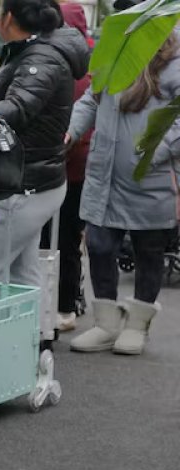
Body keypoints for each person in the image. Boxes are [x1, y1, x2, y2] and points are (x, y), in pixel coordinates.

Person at [0, 0, 89, 347]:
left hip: (23, 183)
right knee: (24, 272)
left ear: (7, 18)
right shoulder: (37, 50)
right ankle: (33, 349)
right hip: (38, 179)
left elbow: (18, 107)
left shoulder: (40, 58)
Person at [66, 31, 180, 355]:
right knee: (100, 245)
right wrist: (71, 131)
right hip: (105, 174)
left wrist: (153, 151)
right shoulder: (114, 52)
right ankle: (106, 323)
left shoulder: (174, 57)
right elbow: (91, 97)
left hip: (151, 177)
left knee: (149, 250)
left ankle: (137, 325)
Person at [45, 1, 95, 331]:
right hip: (82, 168)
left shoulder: (52, 59)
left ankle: (55, 305)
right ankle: (69, 304)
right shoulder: (93, 64)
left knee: (47, 240)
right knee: (70, 240)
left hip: (53, 165)